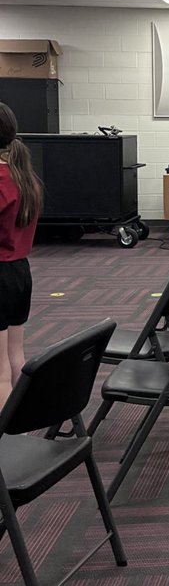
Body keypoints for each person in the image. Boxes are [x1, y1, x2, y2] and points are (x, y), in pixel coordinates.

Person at [0, 103, 42, 406]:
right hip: (18, 272)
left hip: (1, 273)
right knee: (15, 358)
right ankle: (20, 431)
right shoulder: (22, 175)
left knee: (0, 371)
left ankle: (9, 446)